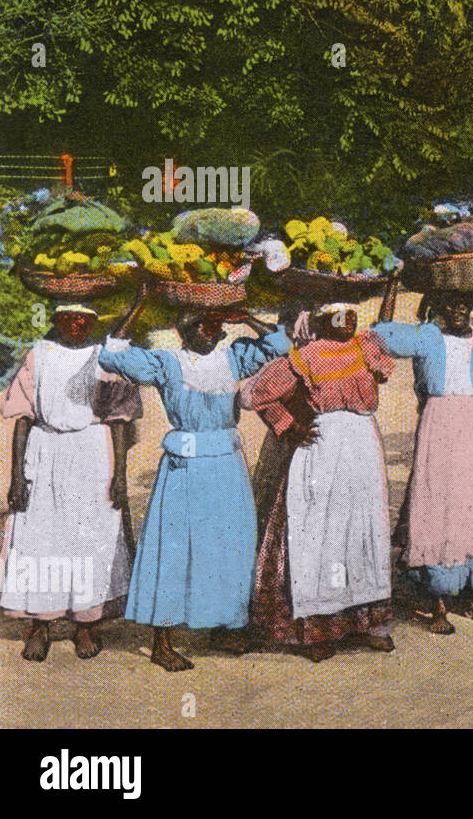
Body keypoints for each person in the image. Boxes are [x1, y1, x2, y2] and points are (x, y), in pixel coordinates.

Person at [97, 284, 290, 671]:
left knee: (231, 541)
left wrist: (244, 316)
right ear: (185, 329)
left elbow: (280, 345)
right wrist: (140, 300)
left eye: (214, 326)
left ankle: (225, 624)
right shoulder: (167, 362)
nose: (210, 333)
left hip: (227, 463)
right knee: (174, 547)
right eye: (202, 326)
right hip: (185, 466)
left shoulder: (232, 358)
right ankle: (163, 641)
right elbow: (111, 355)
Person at [246, 302, 395, 662]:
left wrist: (390, 288)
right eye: (339, 315)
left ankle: (365, 623)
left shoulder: (365, 346)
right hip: (324, 442)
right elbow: (260, 395)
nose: (348, 321)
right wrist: (291, 426)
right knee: (320, 532)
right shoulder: (304, 356)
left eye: (353, 314)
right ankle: (315, 630)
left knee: (363, 530)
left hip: (362, 440)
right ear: (322, 320)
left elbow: (385, 338)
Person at [0, 305, 142, 661]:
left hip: (93, 452)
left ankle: (85, 625)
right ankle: (39, 625)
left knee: (90, 538)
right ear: (55, 321)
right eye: (68, 318)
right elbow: (24, 419)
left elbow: (121, 421)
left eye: (85, 319)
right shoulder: (39, 355)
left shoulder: (105, 358)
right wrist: (17, 478)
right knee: (40, 540)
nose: (76, 325)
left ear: (94, 323)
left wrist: (119, 475)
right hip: (45, 453)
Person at [372, 283, 473, 635]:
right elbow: (381, 335)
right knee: (438, 503)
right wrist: (392, 286)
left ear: (471, 307)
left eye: (464, 305)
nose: (458, 312)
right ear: (439, 308)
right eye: (451, 306)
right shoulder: (426, 336)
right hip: (439, 426)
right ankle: (437, 602)